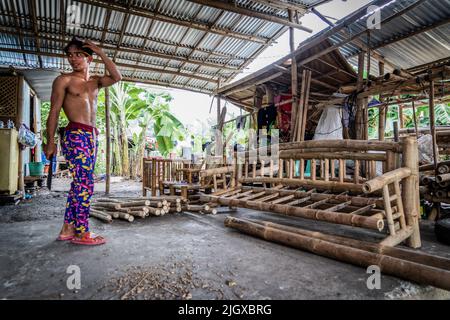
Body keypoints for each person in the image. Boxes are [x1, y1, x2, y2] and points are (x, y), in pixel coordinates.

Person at [44, 37, 122, 245]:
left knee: (80, 183)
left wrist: (101, 51)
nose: (73, 59)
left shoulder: (96, 81)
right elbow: (53, 111)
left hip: (92, 136)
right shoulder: (64, 80)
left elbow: (117, 76)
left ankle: (67, 229)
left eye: (78, 54)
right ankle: (82, 232)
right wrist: (49, 141)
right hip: (74, 134)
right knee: (84, 184)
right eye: (70, 55)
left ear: (88, 57)